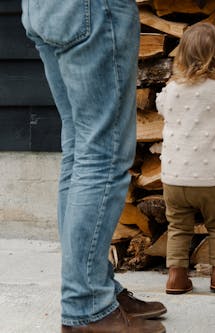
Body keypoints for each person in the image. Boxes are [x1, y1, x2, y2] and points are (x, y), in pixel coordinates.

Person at [21, 1, 166, 332]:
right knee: (103, 154)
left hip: (42, 7)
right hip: (90, 8)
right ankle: (88, 307)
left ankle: (97, 289)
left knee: (79, 148)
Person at [156, 22, 215, 294]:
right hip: (211, 178)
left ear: (181, 55)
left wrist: (172, 84)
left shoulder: (173, 89)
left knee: (178, 226)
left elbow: (160, 104)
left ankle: (176, 277)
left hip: (174, 179)